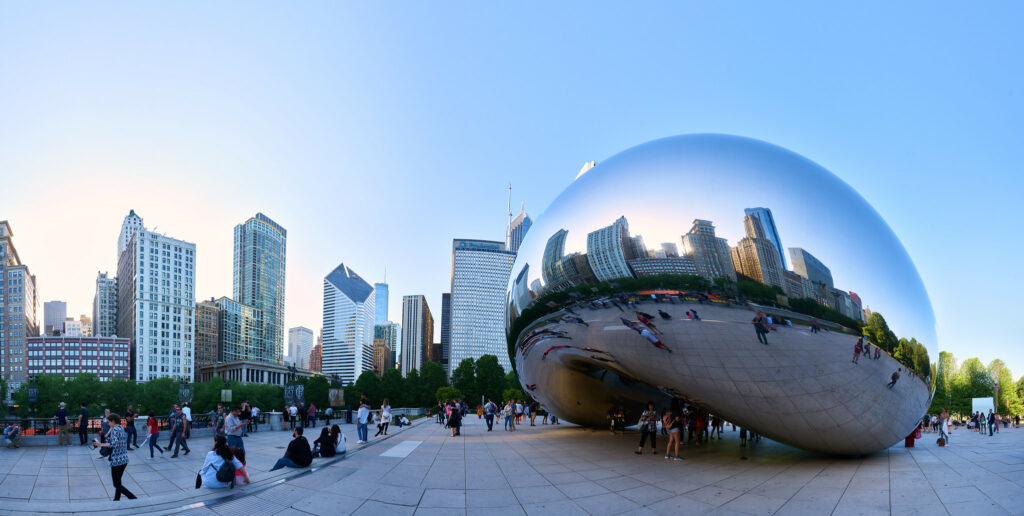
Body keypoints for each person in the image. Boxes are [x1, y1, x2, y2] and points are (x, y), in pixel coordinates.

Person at [92, 413, 136, 500]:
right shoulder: (121, 428)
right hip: (124, 459)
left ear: (113, 421)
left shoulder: (115, 430)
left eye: (108, 422)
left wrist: (100, 444)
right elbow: (115, 441)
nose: (108, 424)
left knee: (116, 484)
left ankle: (132, 497)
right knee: (118, 482)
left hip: (117, 461)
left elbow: (113, 444)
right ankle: (116, 499)